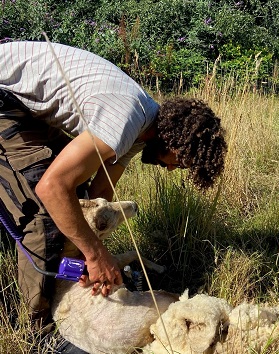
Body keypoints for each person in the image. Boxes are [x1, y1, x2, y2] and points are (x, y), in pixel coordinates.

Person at [0, 40, 227, 353]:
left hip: (25, 104)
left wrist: (93, 260)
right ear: (175, 144)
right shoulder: (124, 121)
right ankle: (35, 332)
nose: (173, 169)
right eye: (180, 162)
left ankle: (64, 286)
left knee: (74, 203)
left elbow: (98, 196)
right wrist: (94, 256)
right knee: (47, 216)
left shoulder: (142, 127)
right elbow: (51, 187)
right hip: (7, 99)